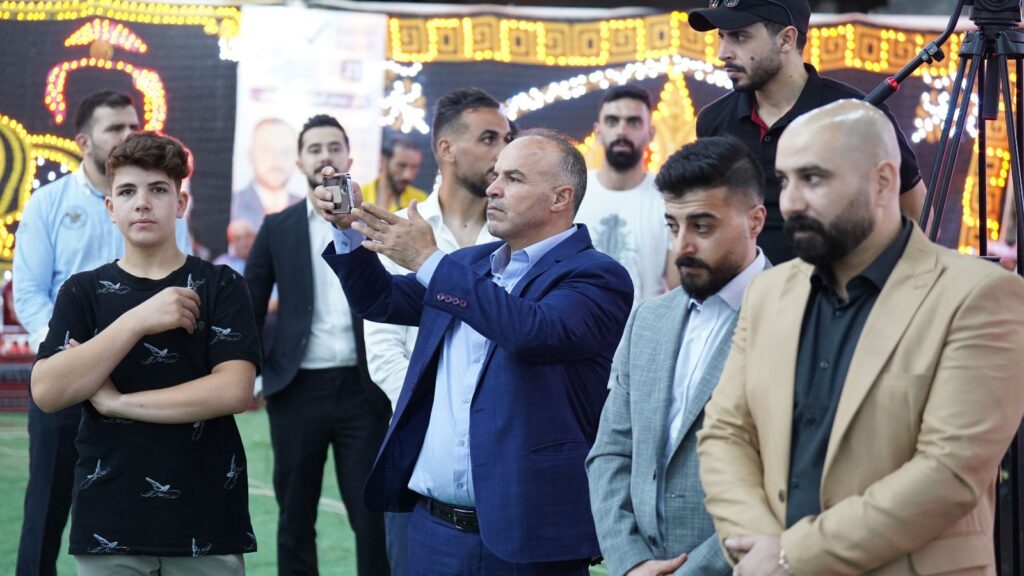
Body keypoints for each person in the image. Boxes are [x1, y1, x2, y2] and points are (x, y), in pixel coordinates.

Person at [697, 100, 1024, 575]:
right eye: (784, 181)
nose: (790, 203)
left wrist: (791, 555)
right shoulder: (768, 291)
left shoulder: (979, 295)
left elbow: (949, 473)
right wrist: (758, 548)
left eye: (813, 178)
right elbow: (725, 434)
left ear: (884, 181)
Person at [320, 128, 633, 575]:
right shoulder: (469, 265)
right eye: (496, 175)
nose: (493, 188)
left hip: (529, 538)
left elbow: (531, 331)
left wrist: (428, 261)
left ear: (560, 198)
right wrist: (347, 232)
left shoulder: (598, 277)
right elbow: (380, 300)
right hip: (432, 530)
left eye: (514, 178)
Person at [29, 131, 260, 575]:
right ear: (110, 208)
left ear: (181, 203)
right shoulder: (82, 292)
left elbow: (233, 391)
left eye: (157, 189)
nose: (142, 203)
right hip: (108, 519)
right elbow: (48, 391)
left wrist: (117, 403)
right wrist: (138, 319)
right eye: (127, 192)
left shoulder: (222, 286)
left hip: (206, 517)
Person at [13, 90, 191, 576]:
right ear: (83, 141)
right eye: (115, 128)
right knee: (46, 508)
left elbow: (181, 277)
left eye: (133, 125)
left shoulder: (163, 203)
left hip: (147, 383)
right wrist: (69, 358)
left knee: (145, 501)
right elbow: (29, 293)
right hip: (67, 378)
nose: (127, 135)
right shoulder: (48, 203)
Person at [587, 136, 768, 576]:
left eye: (701, 227)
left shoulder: (799, 318)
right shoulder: (648, 319)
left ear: (755, 221)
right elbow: (610, 452)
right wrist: (629, 561)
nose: (681, 247)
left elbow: (797, 482)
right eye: (672, 226)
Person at [361, 88, 509, 575]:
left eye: (507, 139)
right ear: (446, 148)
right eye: (488, 138)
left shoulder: (517, 234)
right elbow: (383, 347)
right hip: (419, 450)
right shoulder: (402, 228)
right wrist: (439, 409)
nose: (502, 152)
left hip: (504, 446)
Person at [244, 114, 391, 576]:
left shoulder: (377, 224)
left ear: (350, 158)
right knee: (294, 517)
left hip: (364, 391)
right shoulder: (278, 227)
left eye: (333, 147)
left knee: (372, 519)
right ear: (299, 162)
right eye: (314, 148)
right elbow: (249, 306)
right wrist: (256, 374)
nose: (324, 156)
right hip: (296, 390)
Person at [689, 0, 926, 264]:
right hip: (744, 287)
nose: (723, 53)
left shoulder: (857, 113)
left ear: (786, 39)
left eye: (739, 36)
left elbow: (914, 206)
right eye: (722, 37)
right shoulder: (713, 121)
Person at [576, 84, 678, 306]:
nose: (622, 131)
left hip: (645, 326)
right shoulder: (574, 193)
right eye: (612, 121)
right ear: (598, 132)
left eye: (633, 122)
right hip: (575, 325)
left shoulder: (669, 198)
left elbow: (679, 288)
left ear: (651, 133)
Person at [231, 117, 303, 230]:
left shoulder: (307, 210)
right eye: (266, 150)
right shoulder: (233, 205)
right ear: (250, 155)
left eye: (286, 152)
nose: (277, 160)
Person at [361, 129, 429, 212]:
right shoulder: (360, 196)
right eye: (401, 166)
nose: (407, 175)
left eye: (414, 167)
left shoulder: (421, 201)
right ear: (383, 161)